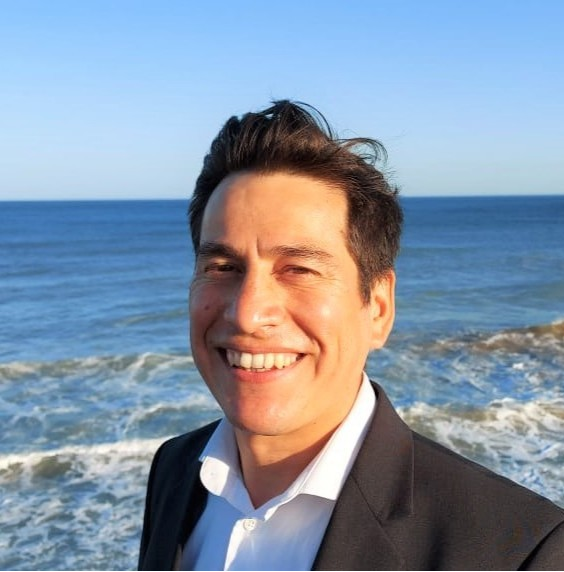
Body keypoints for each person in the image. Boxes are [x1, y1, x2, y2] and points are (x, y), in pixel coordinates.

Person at [138, 101, 564, 571]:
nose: (248, 314)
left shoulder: (520, 551)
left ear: (378, 308)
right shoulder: (174, 469)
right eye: (222, 267)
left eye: (298, 269)